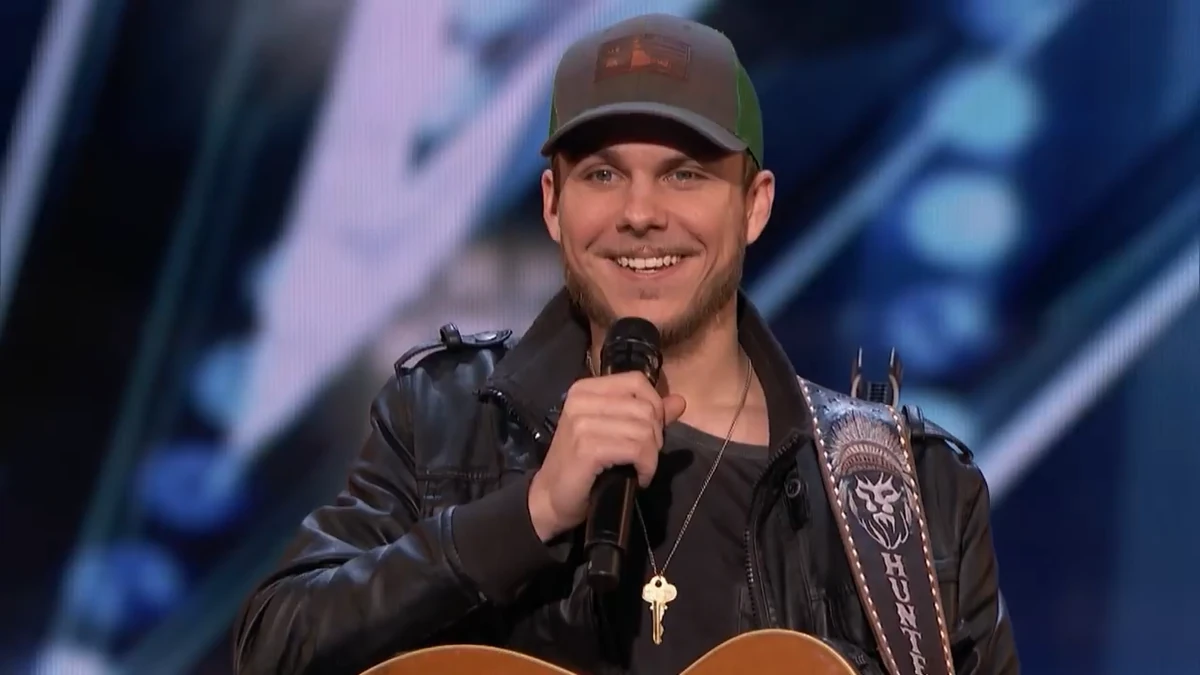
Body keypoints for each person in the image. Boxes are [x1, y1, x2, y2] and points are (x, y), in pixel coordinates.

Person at [232, 13, 1018, 675]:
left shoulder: (912, 492)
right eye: (603, 175)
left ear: (754, 205)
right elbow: (276, 645)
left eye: (685, 175)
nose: (640, 213)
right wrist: (531, 513)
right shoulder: (445, 415)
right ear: (553, 204)